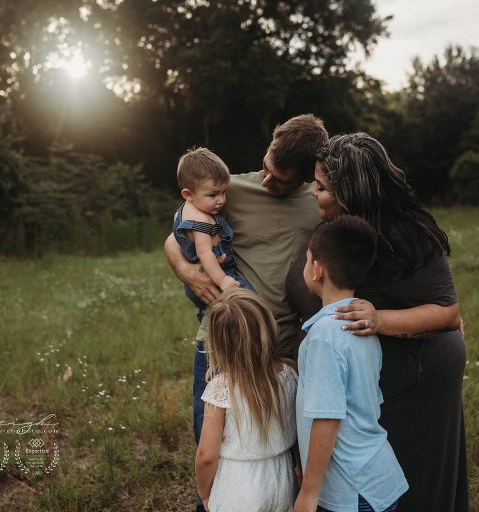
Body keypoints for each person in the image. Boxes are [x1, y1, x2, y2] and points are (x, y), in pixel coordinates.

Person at [299, 132, 468, 512]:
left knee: (419, 477)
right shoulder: (344, 227)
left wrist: (378, 318)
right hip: (378, 371)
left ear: (350, 193)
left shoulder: (406, 232)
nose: (313, 192)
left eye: (322, 187)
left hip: (421, 371)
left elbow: (447, 313)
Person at [165, 114, 328, 447]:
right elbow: (175, 237)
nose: (266, 181)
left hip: (280, 345)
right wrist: (185, 271)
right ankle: (207, 503)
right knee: (212, 443)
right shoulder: (229, 191)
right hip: (222, 339)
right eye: (265, 167)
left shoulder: (320, 202)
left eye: (279, 179)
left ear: (307, 177)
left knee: (276, 448)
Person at [295, 216, 408, 512]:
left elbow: (328, 418)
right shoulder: (363, 326)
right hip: (378, 476)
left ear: (317, 270)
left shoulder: (325, 336)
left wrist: (308, 492)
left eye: (307, 260)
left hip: (353, 490)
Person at [195, 288, 298, 512]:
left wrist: (204, 492)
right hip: (282, 479)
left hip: (238, 486)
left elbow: (206, 455)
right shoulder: (289, 375)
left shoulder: (221, 388)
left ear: (219, 343)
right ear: (268, 328)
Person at [173, 147, 254, 321]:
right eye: (213, 194)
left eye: (224, 192)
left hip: (209, 275)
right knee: (251, 304)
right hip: (216, 275)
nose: (222, 200)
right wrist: (224, 280)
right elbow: (205, 253)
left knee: (214, 316)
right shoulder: (200, 220)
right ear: (188, 194)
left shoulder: (186, 210)